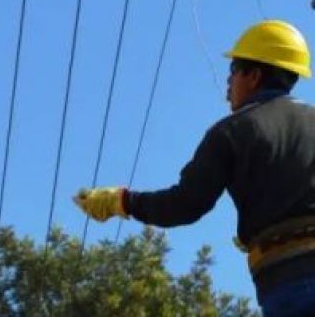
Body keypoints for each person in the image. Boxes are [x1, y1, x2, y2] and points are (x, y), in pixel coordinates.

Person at [74, 19, 315, 316]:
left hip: (290, 283)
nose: (228, 84)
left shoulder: (232, 131)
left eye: (233, 71)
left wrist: (122, 202)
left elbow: (185, 205)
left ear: (254, 75)